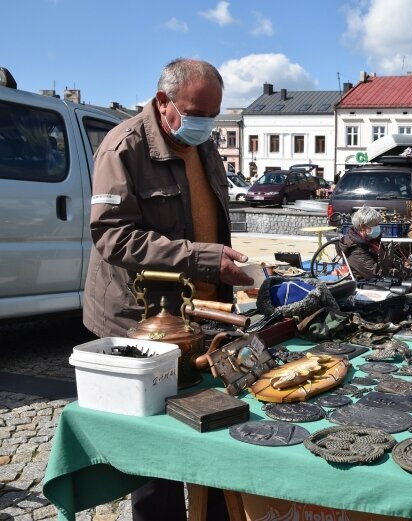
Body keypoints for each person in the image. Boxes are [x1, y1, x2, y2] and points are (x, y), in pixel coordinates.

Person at [84, 58, 253, 521]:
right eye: (197, 113)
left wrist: (233, 273)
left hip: (201, 316)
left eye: (213, 116)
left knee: (215, 439)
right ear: (163, 102)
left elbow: (211, 223)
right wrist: (202, 258)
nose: (206, 125)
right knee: (156, 464)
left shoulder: (204, 147)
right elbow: (112, 236)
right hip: (140, 328)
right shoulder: (124, 148)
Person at [339, 205, 412, 281]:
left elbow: (388, 261)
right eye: (375, 225)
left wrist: (406, 271)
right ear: (362, 226)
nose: (378, 227)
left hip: (383, 278)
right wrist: (399, 273)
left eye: (378, 224)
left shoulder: (372, 240)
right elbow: (374, 273)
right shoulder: (354, 247)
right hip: (369, 283)